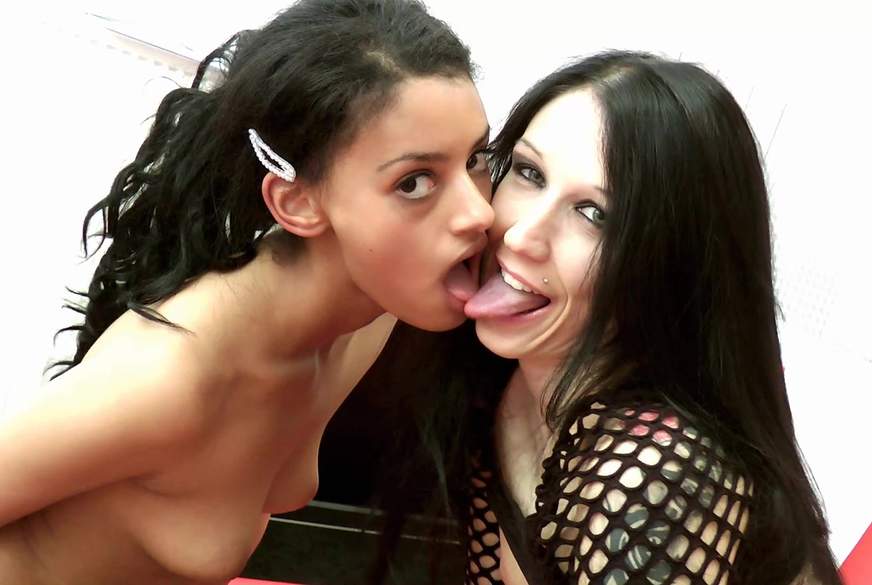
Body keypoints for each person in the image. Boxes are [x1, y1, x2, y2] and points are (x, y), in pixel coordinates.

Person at [0, 1, 493, 583]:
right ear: (296, 203)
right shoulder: (164, 380)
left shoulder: (372, 312)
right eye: (415, 183)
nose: (479, 212)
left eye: (477, 159)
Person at [455, 51, 842, 584]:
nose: (521, 234)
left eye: (593, 214)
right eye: (529, 172)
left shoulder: (652, 475)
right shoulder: (487, 368)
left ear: (668, 265)